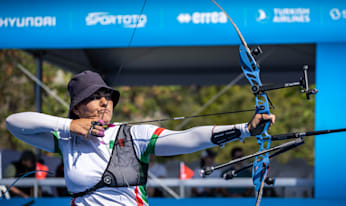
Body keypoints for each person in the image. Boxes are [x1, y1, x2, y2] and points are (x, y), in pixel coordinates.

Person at [6, 70, 275, 205]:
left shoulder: (134, 135)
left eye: (107, 97)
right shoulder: (67, 140)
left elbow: (188, 138)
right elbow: (14, 123)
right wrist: (70, 126)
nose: (104, 103)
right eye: (94, 98)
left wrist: (244, 129)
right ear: (77, 108)